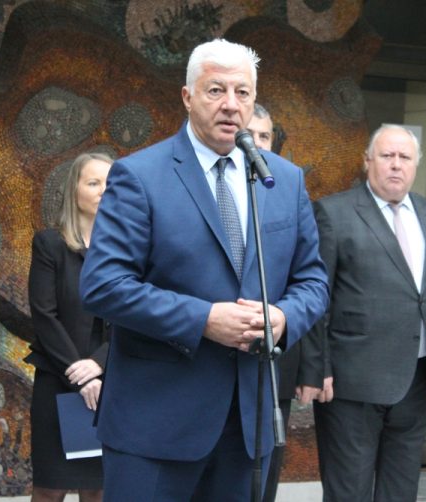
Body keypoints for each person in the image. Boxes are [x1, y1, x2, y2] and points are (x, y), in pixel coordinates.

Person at [77, 38, 329, 501]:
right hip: (154, 427)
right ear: (188, 96)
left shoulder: (283, 180)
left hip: (247, 427)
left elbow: (312, 280)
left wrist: (283, 317)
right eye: (216, 90)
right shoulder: (139, 175)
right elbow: (103, 285)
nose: (231, 104)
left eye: (243, 92)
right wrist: (203, 319)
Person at [299, 124, 426, 501]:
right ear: (367, 161)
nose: (396, 165)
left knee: (401, 491)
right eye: (387, 156)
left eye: (405, 157)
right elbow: (316, 297)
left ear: (416, 165)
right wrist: (319, 366)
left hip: (415, 377)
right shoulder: (333, 212)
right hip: (352, 384)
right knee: (349, 492)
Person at [25, 152, 113, 502]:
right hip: (58, 377)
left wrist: (100, 364)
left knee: (99, 489)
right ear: (74, 190)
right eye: (94, 183)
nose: (104, 190)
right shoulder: (50, 244)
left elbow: (133, 317)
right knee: (51, 489)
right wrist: (81, 375)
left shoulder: (127, 249)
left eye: (110, 183)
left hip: (111, 379)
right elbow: (44, 315)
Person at [248, 102, 296, 502]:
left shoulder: (288, 188)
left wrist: (283, 315)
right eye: (249, 135)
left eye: (264, 137)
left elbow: (310, 280)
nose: (256, 145)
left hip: (273, 364)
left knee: (264, 482)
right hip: (204, 364)